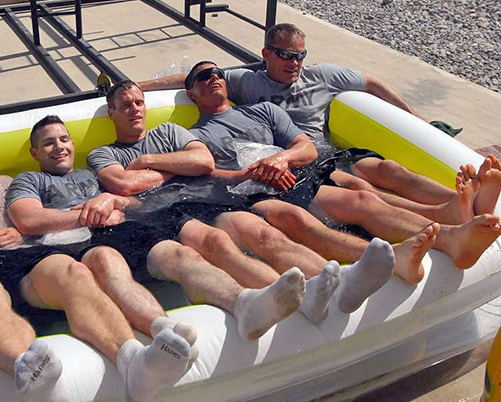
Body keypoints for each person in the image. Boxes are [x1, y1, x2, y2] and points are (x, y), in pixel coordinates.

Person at [0, 119, 193, 402]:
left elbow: (38, 216)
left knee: (74, 271)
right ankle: (32, 375)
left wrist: (19, 232)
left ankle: (133, 362)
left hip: (22, 257)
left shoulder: (4, 184)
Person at [87, 81, 398, 322]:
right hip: (162, 216)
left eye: (139, 102)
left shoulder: (168, 131)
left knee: (269, 235)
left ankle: (347, 282)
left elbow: (204, 162)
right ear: (111, 113)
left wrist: (149, 161)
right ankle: (303, 299)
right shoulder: (103, 153)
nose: (135, 109)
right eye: (125, 105)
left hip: (209, 199)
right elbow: (124, 184)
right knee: (224, 243)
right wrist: (175, 168)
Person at [138, 24, 501, 225]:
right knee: (362, 191)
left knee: (388, 170)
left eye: (299, 56)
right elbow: (196, 77)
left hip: (323, 150)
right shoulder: (247, 83)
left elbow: (372, 83)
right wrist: (136, 88)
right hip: (292, 161)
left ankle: (460, 202)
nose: (293, 63)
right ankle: (447, 215)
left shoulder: (323, 76)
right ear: (266, 54)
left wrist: (417, 119)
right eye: (285, 55)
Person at [183, 61, 501, 283]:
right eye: (202, 76)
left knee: (364, 195)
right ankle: (448, 233)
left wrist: (281, 160)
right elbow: (202, 177)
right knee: (358, 200)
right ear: (191, 94)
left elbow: (304, 147)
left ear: (227, 81)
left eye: (217, 73)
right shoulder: (191, 137)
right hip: (254, 192)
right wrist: (246, 175)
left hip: (296, 174)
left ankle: (449, 221)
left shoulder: (263, 110)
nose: (213, 78)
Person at [7, 114, 309, 340]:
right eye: (48, 143)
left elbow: (135, 202)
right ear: (35, 153)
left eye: (63, 140)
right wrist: (95, 211)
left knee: (183, 256)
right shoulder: (31, 179)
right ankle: (163, 335)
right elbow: (28, 219)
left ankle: (244, 304)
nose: (58, 147)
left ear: (73, 144)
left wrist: (115, 201)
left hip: (125, 231)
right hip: (74, 247)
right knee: (105, 263)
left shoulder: (94, 174)